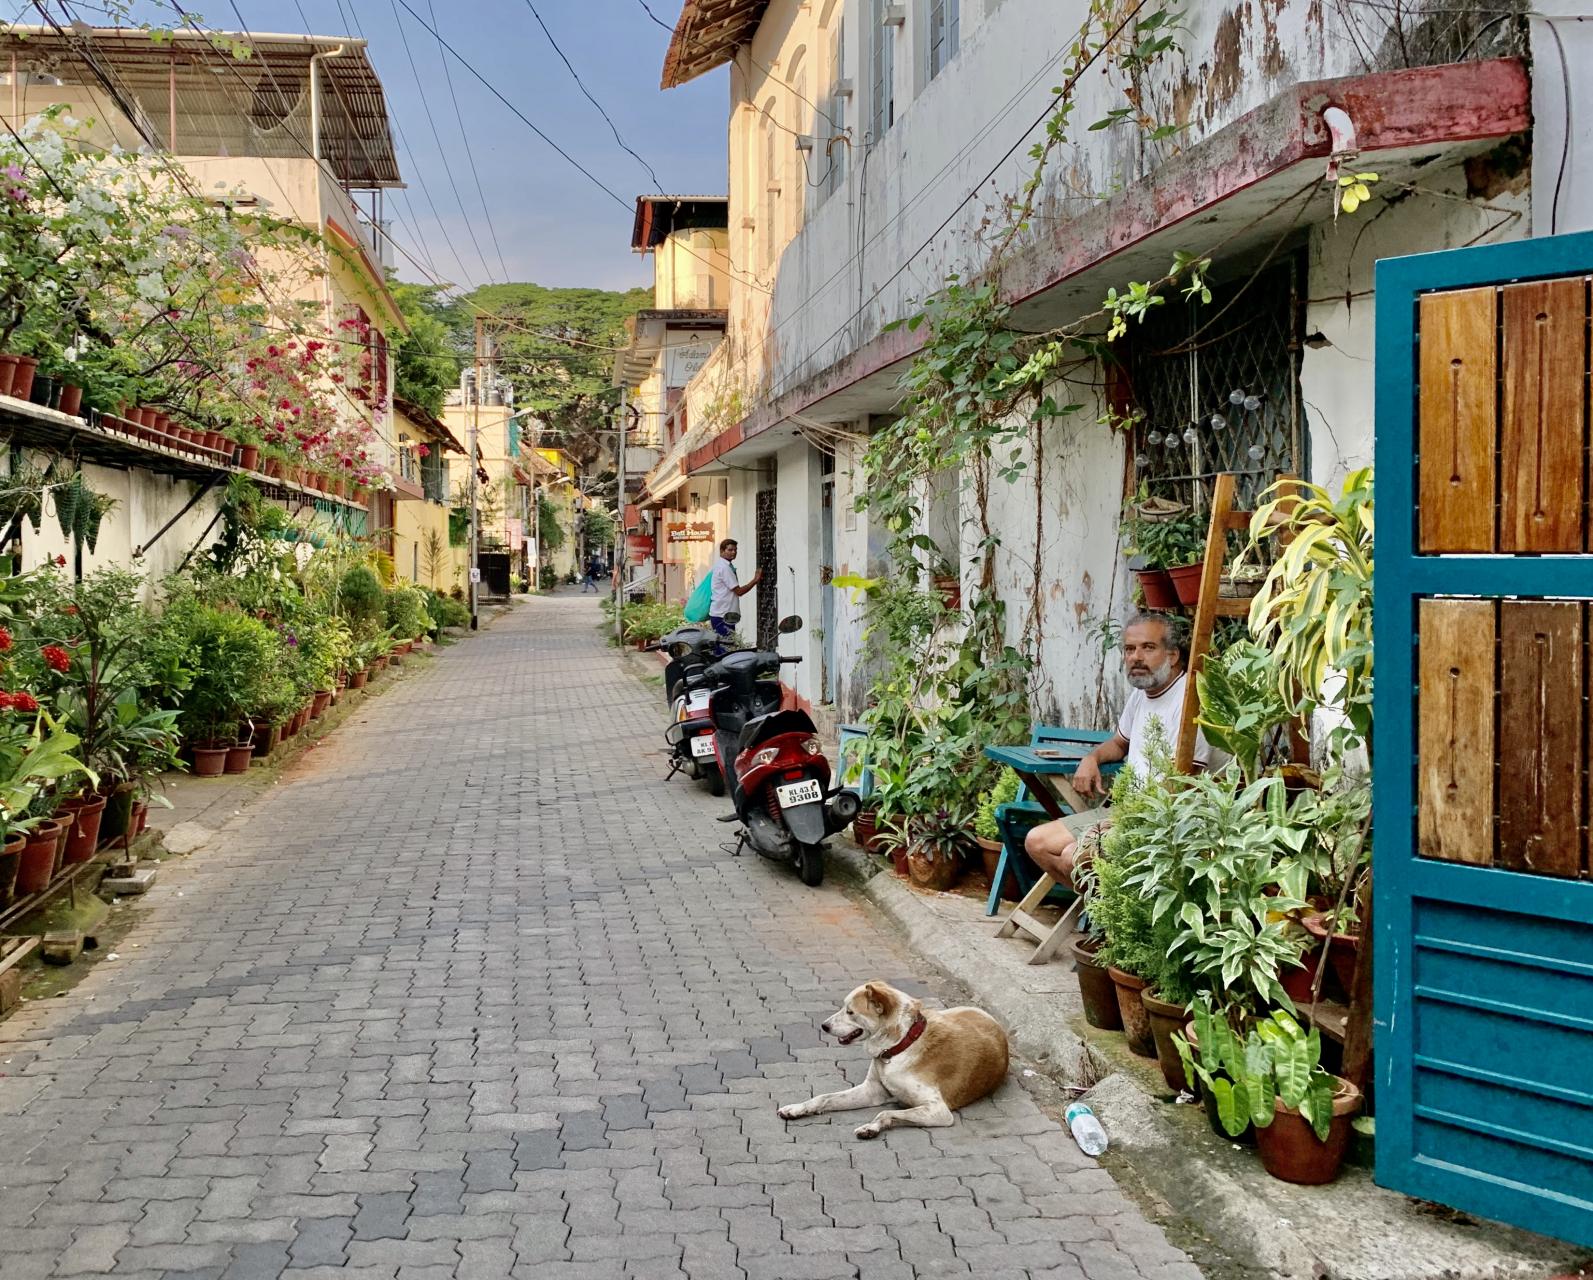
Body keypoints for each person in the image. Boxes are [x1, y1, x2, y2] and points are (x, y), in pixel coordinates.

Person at [1022, 612, 1219, 886]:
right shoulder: (1142, 695)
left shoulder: (1190, 701)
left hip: (1167, 821)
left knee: (1073, 856)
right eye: (1129, 649)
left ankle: (1108, 907)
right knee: (1036, 842)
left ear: (1173, 655)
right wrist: (1092, 758)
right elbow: (1119, 743)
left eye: (1148, 648)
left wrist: (1126, 817)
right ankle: (1103, 904)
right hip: (1125, 811)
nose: (1136, 657)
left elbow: (1184, 782)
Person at [708, 537, 762, 639]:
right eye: (730, 550)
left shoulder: (723, 565)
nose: (733, 552)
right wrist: (755, 580)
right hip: (722, 615)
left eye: (735, 550)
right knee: (726, 646)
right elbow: (739, 591)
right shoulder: (724, 568)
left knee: (726, 645)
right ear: (722, 551)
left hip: (723, 614)